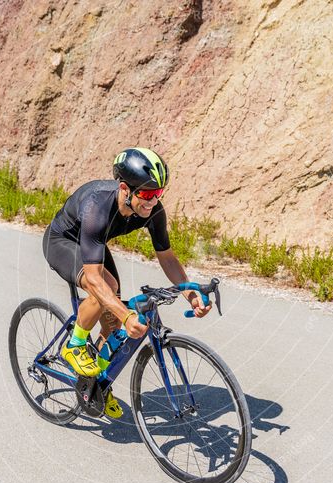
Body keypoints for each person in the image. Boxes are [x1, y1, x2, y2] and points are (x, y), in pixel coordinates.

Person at [42, 147, 211, 418]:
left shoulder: (153, 210)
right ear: (125, 189)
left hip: (92, 245)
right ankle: (74, 344)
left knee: (114, 320)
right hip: (63, 241)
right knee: (104, 288)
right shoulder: (98, 206)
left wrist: (189, 294)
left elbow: (167, 257)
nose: (152, 201)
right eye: (146, 194)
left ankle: (96, 384)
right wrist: (127, 313)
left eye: (158, 193)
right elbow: (96, 280)